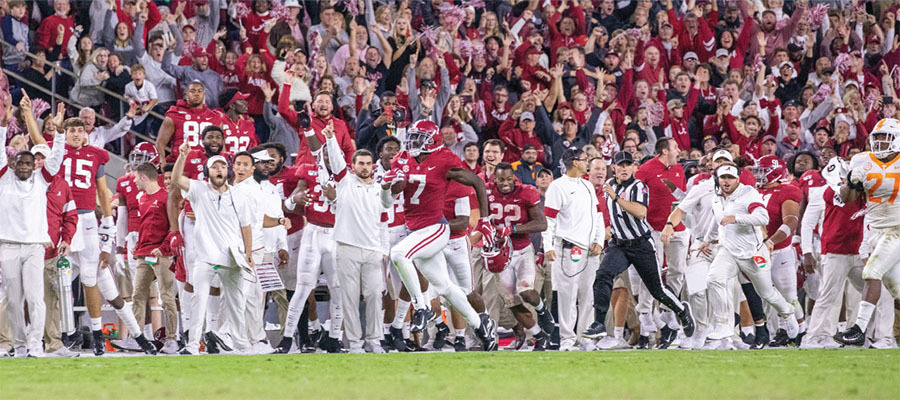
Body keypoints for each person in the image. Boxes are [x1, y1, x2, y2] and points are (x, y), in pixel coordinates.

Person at [25, 94, 157, 357]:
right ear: (66, 132)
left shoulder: (97, 154)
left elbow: (102, 193)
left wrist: (107, 231)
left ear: (86, 132)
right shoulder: (56, 150)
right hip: (61, 221)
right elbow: (38, 141)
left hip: (85, 219)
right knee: (64, 281)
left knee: (95, 280)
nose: (74, 134)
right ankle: (72, 334)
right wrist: (28, 114)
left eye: (78, 130)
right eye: (70, 130)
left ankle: (107, 337)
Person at [384, 119, 499, 351]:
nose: (413, 142)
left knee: (398, 254)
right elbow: (387, 201)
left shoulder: (444, 159)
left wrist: (485, 220)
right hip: (415, 229)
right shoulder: (402, 159)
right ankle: (481, 327)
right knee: (445, 286)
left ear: (432, 141)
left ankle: (422, 307)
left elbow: (477, 181)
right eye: (412, 137)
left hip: (436, 227)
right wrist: (388, 189)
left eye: (419, 138)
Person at [586, 151, 695, 349]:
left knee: (657, 290)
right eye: (621, 165)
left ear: (634, 167)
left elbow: (640, 212)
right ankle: (599, 323)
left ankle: (681, 310)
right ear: (614, 168)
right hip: (619, 244)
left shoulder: (638, 186)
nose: (625, 168)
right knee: (602, 275)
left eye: (628, 164)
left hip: (640, 244)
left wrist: (616, 197)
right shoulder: (609, 186)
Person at [702, 163, 800, 350]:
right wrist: (708, 240)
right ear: (718, 179)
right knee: (714, 279)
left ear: (738, 179)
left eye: (730, 178)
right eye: (723, 177)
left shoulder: (748, 194)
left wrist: (737, 218)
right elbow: (718, 221)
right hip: (729, 251)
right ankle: (723, 324)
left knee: (767, 293)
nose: (726, 181)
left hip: (753, 252)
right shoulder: (716, 197)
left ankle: (787, 313)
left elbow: (763, 218)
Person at [171, 141, 254, 355]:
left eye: (223, 166)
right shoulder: (199, 189)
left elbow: (246, 226)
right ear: (208, 171)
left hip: (232, 256)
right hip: (205, 256)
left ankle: (241, 345)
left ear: (228, 170)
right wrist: (182, 155)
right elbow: (176, 179)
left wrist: (249, 253)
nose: (219, 170)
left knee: (236, 304)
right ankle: (192, 346)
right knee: (199, 300)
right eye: (215, 167)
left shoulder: (238, 195)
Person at [321, 128, 392, 354]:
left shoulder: (380, 190)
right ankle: (353, 344)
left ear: (373, 166)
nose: (364, 167)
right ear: (353, 166)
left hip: (373, 251)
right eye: (360, 163)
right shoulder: (345, 182)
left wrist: (385, 250)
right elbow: (335, 160)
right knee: (349, 298)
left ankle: (374, 341)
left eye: (367, 163)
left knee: (374, 296)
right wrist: (331, 139)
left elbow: (383, 223)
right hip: (347, 247)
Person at [278, 121, 346, 354]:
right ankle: (287, 339)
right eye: (325, 153)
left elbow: (358, 210)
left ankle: (334, 338)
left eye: (332, 153)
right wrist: (293, 200)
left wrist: (337, 198)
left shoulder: (347, 176)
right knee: (303, 287)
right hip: (313, 232)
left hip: (337, 235)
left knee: (338, 288)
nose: (327, 157)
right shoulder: (309, 170)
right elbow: (290, 205)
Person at [0, 124, 65, 358]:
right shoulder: (4, 179)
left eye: (29, 163)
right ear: (13, 165)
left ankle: (36, 345)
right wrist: (3, 126)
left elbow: (56, 159)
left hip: (35, 248)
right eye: (21, 163)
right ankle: (19, 346)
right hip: (7, 247)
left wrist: (59, 134)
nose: (26, 167)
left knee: (35, 298)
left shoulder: (41, 180)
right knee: (15, 301)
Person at [837, 119, 900, 346]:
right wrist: (852, 182)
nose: (881, 141)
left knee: (871, 272)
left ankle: (858, 329)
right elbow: (847, 200)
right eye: (878, 137)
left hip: (897, 228)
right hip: (874, 229)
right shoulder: (862, 160)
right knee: (896, 290)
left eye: (886, 137)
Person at [486, 162, 554, 351]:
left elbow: (542, 224)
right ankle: (538, 335)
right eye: (501, 179)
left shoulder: (526, 192)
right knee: (512, 302)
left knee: (526, 292)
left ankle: (542, 310)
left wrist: (513, 229)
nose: (505, 183)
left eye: (509, 179)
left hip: (522, 249)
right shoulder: (487, 193)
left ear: (514, 178)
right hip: (501, 254)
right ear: (495, 179)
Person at [542, 148, 605, 351]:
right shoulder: (557, 187)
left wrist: (599, 240)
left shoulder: (587, 185)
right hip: (569, 248)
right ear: (575, 162)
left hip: (589, 249)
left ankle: (585, 337)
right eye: (585, 160)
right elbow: (549, 220)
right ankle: (567, 339)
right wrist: (548, 246)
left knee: (588, 295)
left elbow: (598, 216)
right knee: (568, 296)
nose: (588, 163)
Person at [634, 137, 690, 349]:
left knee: (677, 272)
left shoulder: (679, 170)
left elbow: (683, 199)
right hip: (653, 229)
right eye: (675, 147)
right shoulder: (645, 170)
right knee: (652, 272)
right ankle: (646, 312)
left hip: (678, 229)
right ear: (665, 150)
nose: (679, 150)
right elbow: (634, 196)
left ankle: (669, 313)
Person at [230, 150, 286, 355]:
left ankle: (254, 339)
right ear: (233, 166)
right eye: (239, 164)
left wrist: (250, 251)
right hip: (239, 248)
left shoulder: (253, 190)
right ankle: (243, 338)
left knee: (251, 297)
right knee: (244, 296)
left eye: (246, 165)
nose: (242, 168)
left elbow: (259, 221)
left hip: (252, 249)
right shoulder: (233, 188)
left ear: (252, 168)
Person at [750, 155, 804, 346]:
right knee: (767, 294)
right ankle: (782, 330)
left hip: (780, 250)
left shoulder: (787, 190)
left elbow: (791, 221)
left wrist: (771, 241)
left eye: (763, 170)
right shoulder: (753, 191)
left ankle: (800, 331)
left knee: (788, 294)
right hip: (759, 251)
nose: (759, 175)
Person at [129, 162, 180, 355]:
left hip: (162, 254)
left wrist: (164, 247)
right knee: (137, 296)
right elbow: (145, 225)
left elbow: (173, 225)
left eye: (135, 177)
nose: (134, 181)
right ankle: (138, 337)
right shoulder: (141, 198)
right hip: (144, 253)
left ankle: (172, 339)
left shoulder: (166, 197)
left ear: (143, 177)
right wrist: (139, 245)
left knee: (166, 297)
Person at [156, 80, 222, 162]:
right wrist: (162, 160)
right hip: (180, 163)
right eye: (192, 91)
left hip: (206, 164)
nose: (197, 94)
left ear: (204, 94)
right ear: (186, 94)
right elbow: (160, 142)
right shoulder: (175, 114)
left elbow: (221, 146)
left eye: (200, 91)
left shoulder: (215, 116)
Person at [216, 89, 259, 153]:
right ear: (232, 106)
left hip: (243, 161)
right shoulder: (218, 122)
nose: (246, 103)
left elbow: (253, 148)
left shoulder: (249, 124)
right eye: (241, 100)